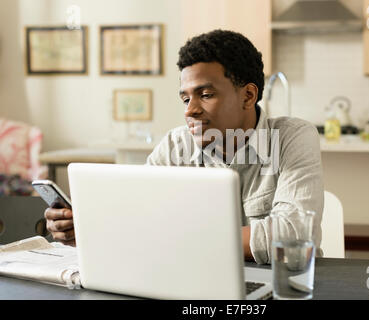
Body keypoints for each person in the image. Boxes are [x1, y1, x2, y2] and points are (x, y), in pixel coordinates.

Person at [45, 30, 324, 264]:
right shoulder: (175, 146)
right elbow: (135, 216)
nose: (190, 111)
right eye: (185, 99)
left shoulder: (292, 137)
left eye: (205, 95)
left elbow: (295, 236)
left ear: (248, 95)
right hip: (195, 280)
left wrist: (173, 236)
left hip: (286, 285)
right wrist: (85, 230)